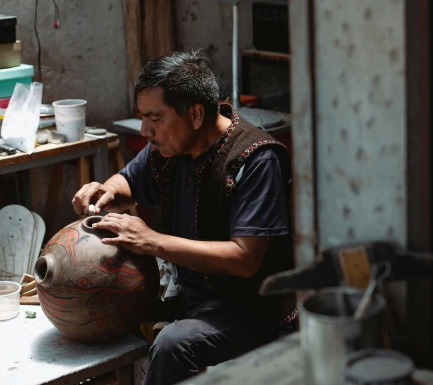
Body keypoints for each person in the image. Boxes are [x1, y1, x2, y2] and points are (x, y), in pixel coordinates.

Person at [72, 51, 296, 385]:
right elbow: (130, 181)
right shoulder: (169, 146)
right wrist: (106, 190)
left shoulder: (257, 159)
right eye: (143, 118)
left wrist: (154, 242)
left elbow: (246, 260)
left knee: (172, 346)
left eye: (154, 118)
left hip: (251, 307)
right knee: (101, 305)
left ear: (194, 115)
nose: (146, 130)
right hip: (190, 294)